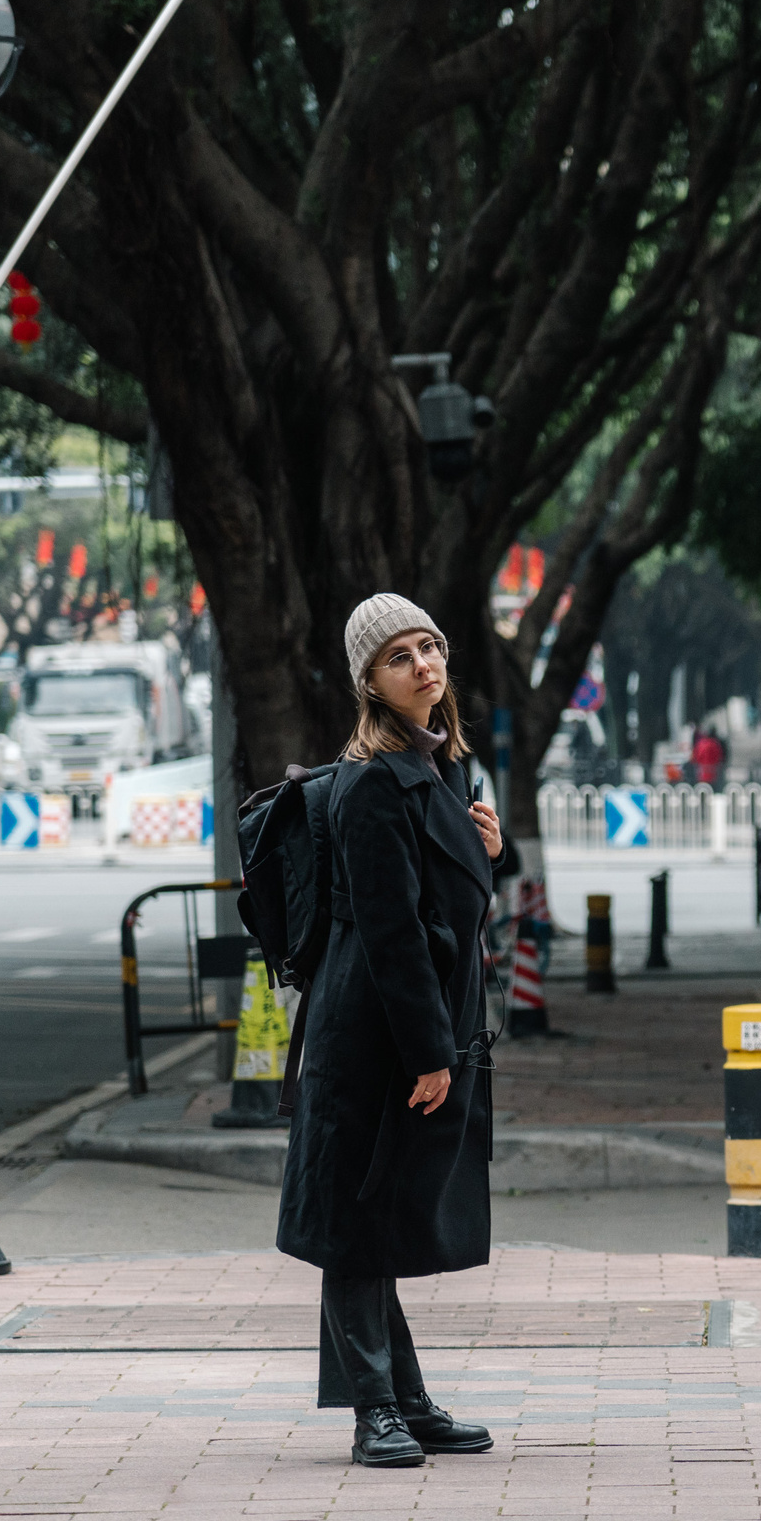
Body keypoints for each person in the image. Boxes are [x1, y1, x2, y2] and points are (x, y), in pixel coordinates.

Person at [276, 593, 519, 1469]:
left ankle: (405, 1401)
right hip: (368, 1032)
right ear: (370, 684)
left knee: (378, 1219)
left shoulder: (444, 769)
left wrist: (485, 855)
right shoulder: (374, 780)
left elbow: (451, 907)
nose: (423, 665)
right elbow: (391, 929)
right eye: (399, 657)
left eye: (430, 648)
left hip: (420, 1023)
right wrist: (428, 1054)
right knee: (353, 1222)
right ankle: (374, 1410)